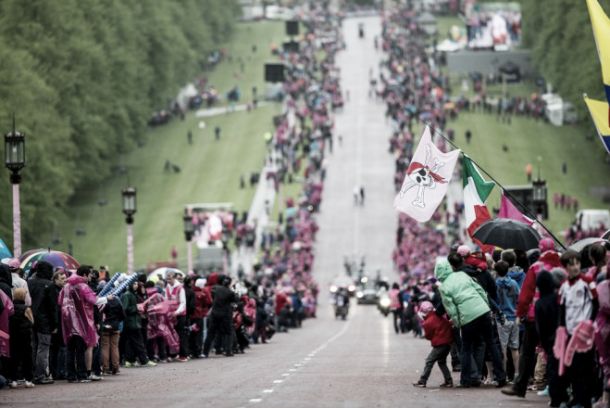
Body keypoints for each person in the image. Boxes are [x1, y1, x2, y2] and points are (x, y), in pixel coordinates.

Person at [502, 238, 561, 398]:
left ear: (541, 250)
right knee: (553, 352)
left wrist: (520, 313)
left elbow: (525, 295)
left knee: (527, 352)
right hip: (556, 316)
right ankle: (555, 387)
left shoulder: (536, 267)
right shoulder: (562, 265)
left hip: (534, 316)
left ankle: (520, 387)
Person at [436, 256, 506, 388]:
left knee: (466, 349)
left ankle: (466, 380)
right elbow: (480, 290)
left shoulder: (444, 287)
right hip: (483, 311)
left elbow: (451, 308)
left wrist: (458, 323)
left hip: (467, 317)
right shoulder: (462, 274)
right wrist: (486, 306)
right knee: (491, 344)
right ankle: (501, 377)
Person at [556, 250, 597, 408]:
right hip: (570, 333)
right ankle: (577, 397)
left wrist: (590, 323)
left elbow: (596, 303)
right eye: (571, 264)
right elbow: (561, 307)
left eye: (577, 263)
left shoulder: (587, 281)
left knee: (584, 367)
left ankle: (584, 399)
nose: (575, 267)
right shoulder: (564, 285)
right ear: (566, 267)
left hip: (585, 334)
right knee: (571, 368)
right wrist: (561, 328)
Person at [59, 265, 113, 383]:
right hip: (81, 323)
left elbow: (60, 301)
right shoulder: (83, 286)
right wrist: (107, 298)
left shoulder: (66, 286)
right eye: (89, 275)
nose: (90, 277)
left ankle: (71, 375)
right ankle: (82, 375)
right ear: (84, 275)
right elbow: (94, 300)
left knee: (70, 350)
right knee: (80, 350)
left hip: (68, 322)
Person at [412, 301, 454, 388]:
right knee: (441, 362)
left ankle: (422, 381)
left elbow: (428, 336)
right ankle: (448, 381)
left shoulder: (427, 322)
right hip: (448, 344)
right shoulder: (439, 316)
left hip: (439, 345)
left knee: (429, 361)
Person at [28, 260, 56, 385]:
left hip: (30, 318)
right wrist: (55, 324)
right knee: (43, 349)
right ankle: (40, 375)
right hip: (45, 321)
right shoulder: (49, 285)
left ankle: (32, 373)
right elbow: (52, 307)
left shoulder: (29, 282)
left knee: (34, 347)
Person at [494, 260, 521, 380]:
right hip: (514, 317)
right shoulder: (514, 283)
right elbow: (519, 298)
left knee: (503, 348)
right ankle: (517, 374)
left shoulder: (496, 284)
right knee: (515, 347)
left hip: (502, 318)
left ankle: (503, 375)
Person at [121, 280, 156, 368]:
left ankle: (129, 360)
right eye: (134, 283)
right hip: (131, 322)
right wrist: (136, 308)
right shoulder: (127, 295)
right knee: (139, 342)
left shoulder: (133, 294)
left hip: (135, 322)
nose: (136, 285)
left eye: (136, 284)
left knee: (130, 342)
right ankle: (144, 360)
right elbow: (124, 309)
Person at [203, 275, 237, 357]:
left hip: (215, 314)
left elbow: (213, 295)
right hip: (225, 315)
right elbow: (235, 300)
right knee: (228, 333)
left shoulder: (216, 289)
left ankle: (205, 352)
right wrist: (232, 288)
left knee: (211, 333)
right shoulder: (230, 292)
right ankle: (228, 351)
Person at [7, 288, 34, 388]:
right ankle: (28, 380)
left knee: (14, 358)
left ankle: (13, 380)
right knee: (27, 358)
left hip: (13, 336)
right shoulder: (26, 308)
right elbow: (32, 321)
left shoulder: (10, 308)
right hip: (25, 336)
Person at [165, 272, 188, 362]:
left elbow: (183, 303)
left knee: (181, 334)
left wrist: (176, 312)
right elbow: (166, 300)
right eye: (167, 278)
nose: (168, 280)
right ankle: (172, 354)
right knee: (170, 334)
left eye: (170, 278)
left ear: (174, 278)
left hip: (180, 315)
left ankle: (183, 355)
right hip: (170, 315)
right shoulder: (167, 287)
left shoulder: (180, 288)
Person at [101, 290, 124, 375]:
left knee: (105, 347)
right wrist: (117, 321)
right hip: (115, 326)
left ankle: (105, 368)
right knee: (115, 347)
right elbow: (122, 315)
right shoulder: (118, 302)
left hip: (105, 326)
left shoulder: (103, 302)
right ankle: (115, 367)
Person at [48, 270, 66, 380]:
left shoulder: (61, 289)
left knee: (57, 349)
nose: (64, 281)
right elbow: (54, 308)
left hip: (60, 322)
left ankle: (57, 371)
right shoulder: (54, 290)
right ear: (55, 280)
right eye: (62, 279)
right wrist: (54, 325)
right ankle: (58, 372)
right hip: (57, 323)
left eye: (65, 278)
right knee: (59, 348)